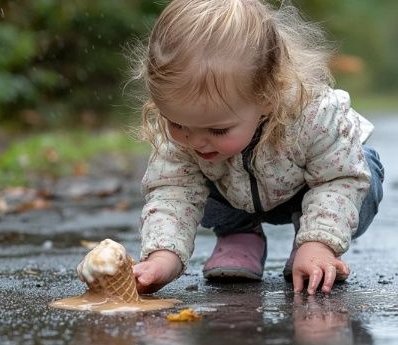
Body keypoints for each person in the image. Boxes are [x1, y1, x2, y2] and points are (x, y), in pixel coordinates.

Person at [131, 0, 384, 295]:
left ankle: (310, 245)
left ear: (268, 95)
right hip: (233, 196)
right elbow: (172, 192)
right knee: (195, 172)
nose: (196, 140)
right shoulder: (184, 135)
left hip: (310, 191)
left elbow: (338, 178)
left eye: (217, 129)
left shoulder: (313, 115)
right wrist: (163, 257)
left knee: (362, 168)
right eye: (177, 123)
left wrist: (318, 242)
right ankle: (239, 234)